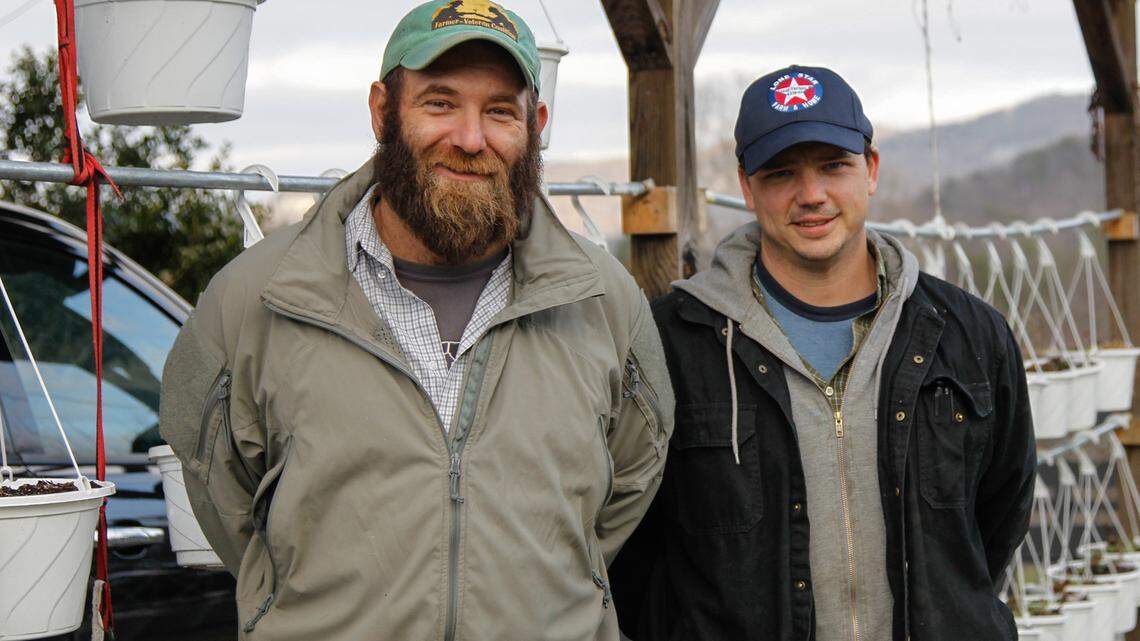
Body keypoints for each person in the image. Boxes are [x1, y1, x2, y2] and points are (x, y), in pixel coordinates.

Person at [159, 2, 673, 639]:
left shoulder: (603, 301)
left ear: (537, 125)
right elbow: (222, 493)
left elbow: (628, 486)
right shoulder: (255, 299)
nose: (470, 138)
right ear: (382, 111)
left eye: (500, 111)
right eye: (439, 103)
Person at [609, 65, 1035, 641]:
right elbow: (634, 549)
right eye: (782, 173)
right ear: (747, 186)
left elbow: (998, 519)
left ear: (871, 169)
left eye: (834, 166)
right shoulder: (673, 342)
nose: (811, 195)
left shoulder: (969, 335)